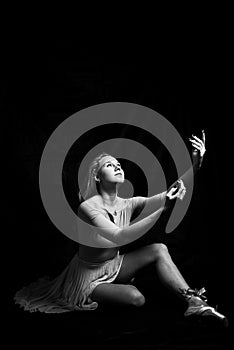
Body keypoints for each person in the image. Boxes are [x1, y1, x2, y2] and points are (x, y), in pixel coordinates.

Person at [14, 131, 228, 327]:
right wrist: (163, 210)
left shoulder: (128, 203)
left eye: (118, 164)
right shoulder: (88, 208)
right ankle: (103, 292)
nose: (117, 166)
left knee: (159, 248)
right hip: (87, 278)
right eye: (109, 165)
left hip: (113, 265)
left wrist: (195, 164)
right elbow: (118, 236)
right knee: (137, 298)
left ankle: (194, 303)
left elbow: (170, 192)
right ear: (97, 177)